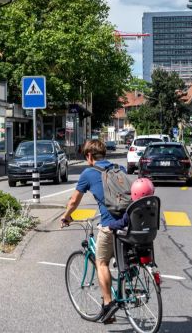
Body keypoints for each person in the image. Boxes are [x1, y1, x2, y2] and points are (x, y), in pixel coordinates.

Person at [59, 139, 125, 324]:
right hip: (128, 223)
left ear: (89, 156)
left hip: (110, 225)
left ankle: (108, 303)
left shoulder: (88, 172)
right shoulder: (119, 168)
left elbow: (74, 201)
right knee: (122, 261)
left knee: (101, 262)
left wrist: (66, 216)